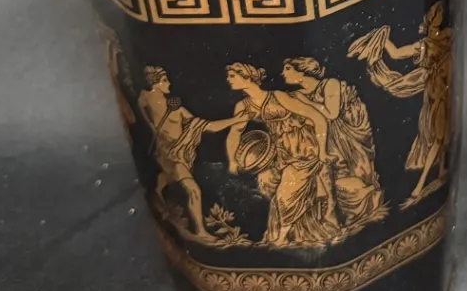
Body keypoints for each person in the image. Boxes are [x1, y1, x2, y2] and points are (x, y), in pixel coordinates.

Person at [221, 62, 340, 248]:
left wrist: (322, 151)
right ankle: (298, 232)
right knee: (271, 186)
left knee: (286, 193)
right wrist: (233, 161)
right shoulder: (242, 106)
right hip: (283, 151)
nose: (228, 80)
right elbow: (234, 134)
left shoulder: (277, 96)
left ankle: (281, 238)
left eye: (232, 76)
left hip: (304, 147)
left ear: (246, 76)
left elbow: (317, 117)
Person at [349, 3, 454, 205]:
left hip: (444, 89)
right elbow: (396, 54)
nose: (440, 16)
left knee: (441, 135)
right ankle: (420, 184)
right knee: (438, 137)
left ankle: (439, 173)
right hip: (436, 94)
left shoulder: (444, 36)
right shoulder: (425, 45)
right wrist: (382, 36)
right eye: (437, 15)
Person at [280, 57, 388, 234]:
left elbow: (332, 113)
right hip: (324, 138)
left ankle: (365, 205)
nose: (283, 73)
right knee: (331, 176)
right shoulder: (299, 93)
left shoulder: (329, 84)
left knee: (354, 170)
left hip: (345, 135)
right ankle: (343, 214)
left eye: (288, 69)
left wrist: (305, 102)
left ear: (302, 70)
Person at [138, 66, 212, 239]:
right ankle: (200, 231)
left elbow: (200, 124)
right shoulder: (145, 97)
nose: (169, 83)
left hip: (177, 150)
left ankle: (159, 201)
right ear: (155, 82)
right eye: (165, 80)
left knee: (164, 180)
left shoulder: (173, 106)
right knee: (193, 190)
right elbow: (143, 113)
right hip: (168, 151)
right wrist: (152, 128)